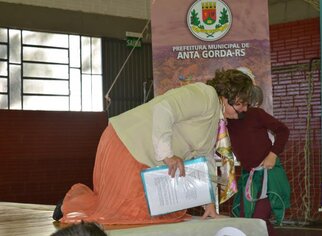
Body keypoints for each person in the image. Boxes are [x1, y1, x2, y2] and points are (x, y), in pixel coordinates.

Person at [54, 68, 255, 225]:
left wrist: (209, 206)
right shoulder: (206, 94)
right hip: (126, 143)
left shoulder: (215, 121)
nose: (245, 109)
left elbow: (205, 163)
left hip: (145, 158)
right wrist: (168, 155)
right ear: (230, 93)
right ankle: (70, 205)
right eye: (242, 102)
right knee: (129, 214)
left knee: (144, 213)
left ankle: (73, 204)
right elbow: (164, 109)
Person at [227, 68, 291, 236]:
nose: (243, 108)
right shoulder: (226, 120)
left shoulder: (256, 114)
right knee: (246, 218)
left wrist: (273, 154)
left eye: (245, 102)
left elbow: (283, 130)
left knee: (258, 219)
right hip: (249, 177)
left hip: (268, 174)